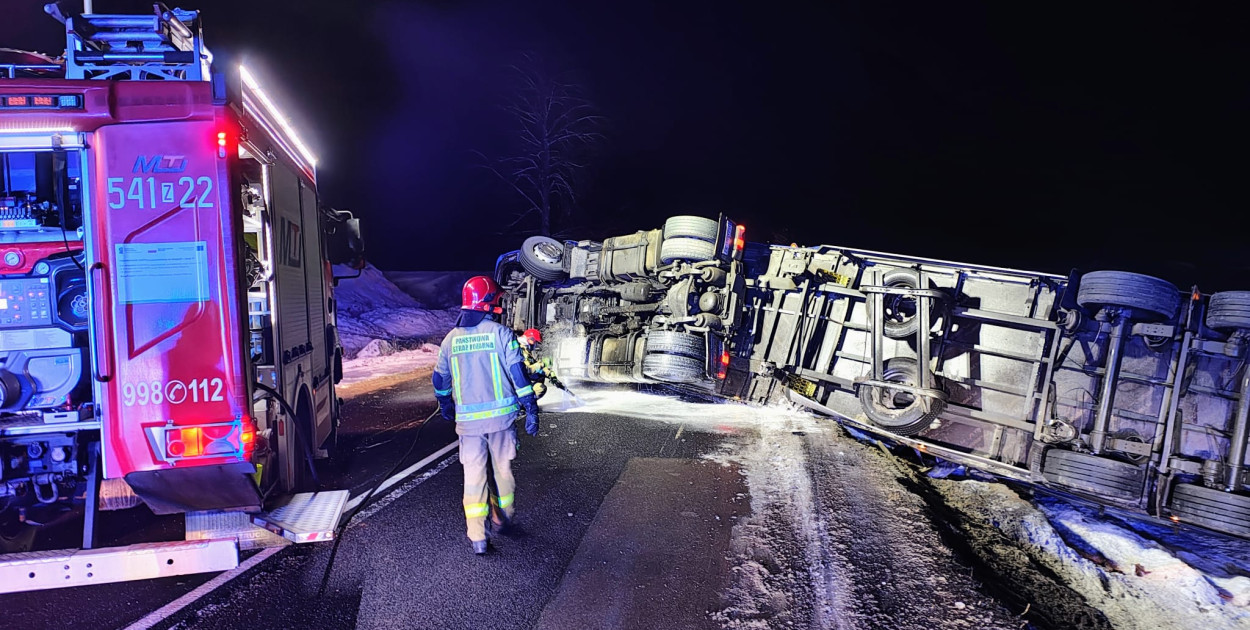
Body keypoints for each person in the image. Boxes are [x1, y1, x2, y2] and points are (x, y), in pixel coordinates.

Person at [432, 276, 540, 555]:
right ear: (489, 302)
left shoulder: (450, 340)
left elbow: (439, 379)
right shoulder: (500, 334)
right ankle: (502, 517)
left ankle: (478, 538)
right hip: (501, 422)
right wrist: (530, 407)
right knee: (502, 472)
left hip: (468, 426)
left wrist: (445, 405)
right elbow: (518, 374)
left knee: (474, 478)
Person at [516, 328, 566, 399]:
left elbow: (535, 365)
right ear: (530, 339)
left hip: (519, 382)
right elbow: (523, 369)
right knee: (540, 388)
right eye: (535, 342)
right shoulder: (520, 350)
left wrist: (551, 376)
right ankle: (525, 403)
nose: (535, 346)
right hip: (516, 383)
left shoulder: (525, 350)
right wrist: (538, 366)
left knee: (540, 377)